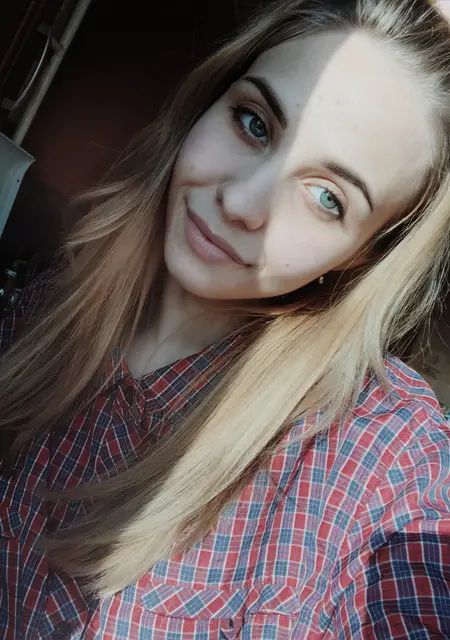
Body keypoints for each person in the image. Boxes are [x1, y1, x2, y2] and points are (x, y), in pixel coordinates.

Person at [1, 0, 450, 637]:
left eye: (327, 198)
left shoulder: (381, 453)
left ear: (363, 253)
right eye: (254, 123)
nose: (240, 201)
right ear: (208, 103)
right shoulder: (54, 303)